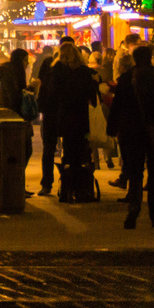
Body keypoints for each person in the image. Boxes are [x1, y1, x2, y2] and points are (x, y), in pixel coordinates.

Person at [108, 45, 154, 230]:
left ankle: (133, 210)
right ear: (150, 58)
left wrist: (111, 128)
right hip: (151, 130)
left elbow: (117, 105)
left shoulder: (126, 79)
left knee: (135, 172)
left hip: (130, 131)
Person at [37, 39, 98, 197]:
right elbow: (92, 96)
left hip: (54, 114)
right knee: (75, 151)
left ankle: (47, 184)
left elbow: (49, 92)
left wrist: (43, 108)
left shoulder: (54, 69)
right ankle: (75, 186)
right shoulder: (83, 71)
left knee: (49, 149)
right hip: (77, 116)